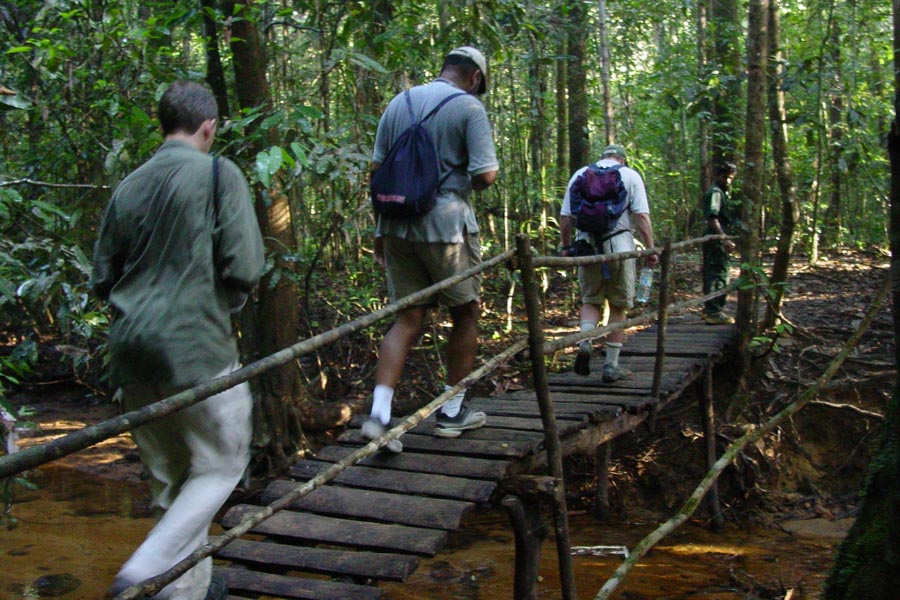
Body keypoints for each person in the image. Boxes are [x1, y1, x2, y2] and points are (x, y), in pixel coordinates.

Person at [92, 81, 265, 600]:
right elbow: (245, 265)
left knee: (172, 479)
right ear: (209, 126)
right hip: (196, 346)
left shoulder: (129, 185)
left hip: (130, 350)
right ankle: (146, 569)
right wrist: (222, 304)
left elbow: (103, 276)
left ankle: (184, 590)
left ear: (163, 124)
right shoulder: (218, 172)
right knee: (222, 464)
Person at [363, 46, 499, 451]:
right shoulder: (469, 109)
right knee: (466, 312)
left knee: (407, 317)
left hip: (395, 225)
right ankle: (452, 409)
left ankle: (379, 415)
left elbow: (377, 171)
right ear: (474, 78)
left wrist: (378, 232)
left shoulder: (398, 103)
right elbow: (486, 174)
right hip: (446, 227)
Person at [559, 144, 658, 381]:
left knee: (591, 300)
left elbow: (565, 217)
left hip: (588, 247)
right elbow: (642, 217)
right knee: (618, 305)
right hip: (620, 248)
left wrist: (565, 247)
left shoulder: (580, 174)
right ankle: (611, 365)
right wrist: (650, 249)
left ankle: (585, 341)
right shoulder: (630, 175)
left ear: (602, 158)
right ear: (622, 160)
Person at [701, 162, 739, 325]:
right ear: (718, 176)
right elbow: (712, 218)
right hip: (716, 239)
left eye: (731, 178)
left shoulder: (723, 192)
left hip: (718, 238)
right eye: (725, 177)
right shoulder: (715, 193)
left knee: (717, 273)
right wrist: (724, 238)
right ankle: (713, 312)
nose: (728, 181)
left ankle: (712, 307)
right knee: (718, 274)